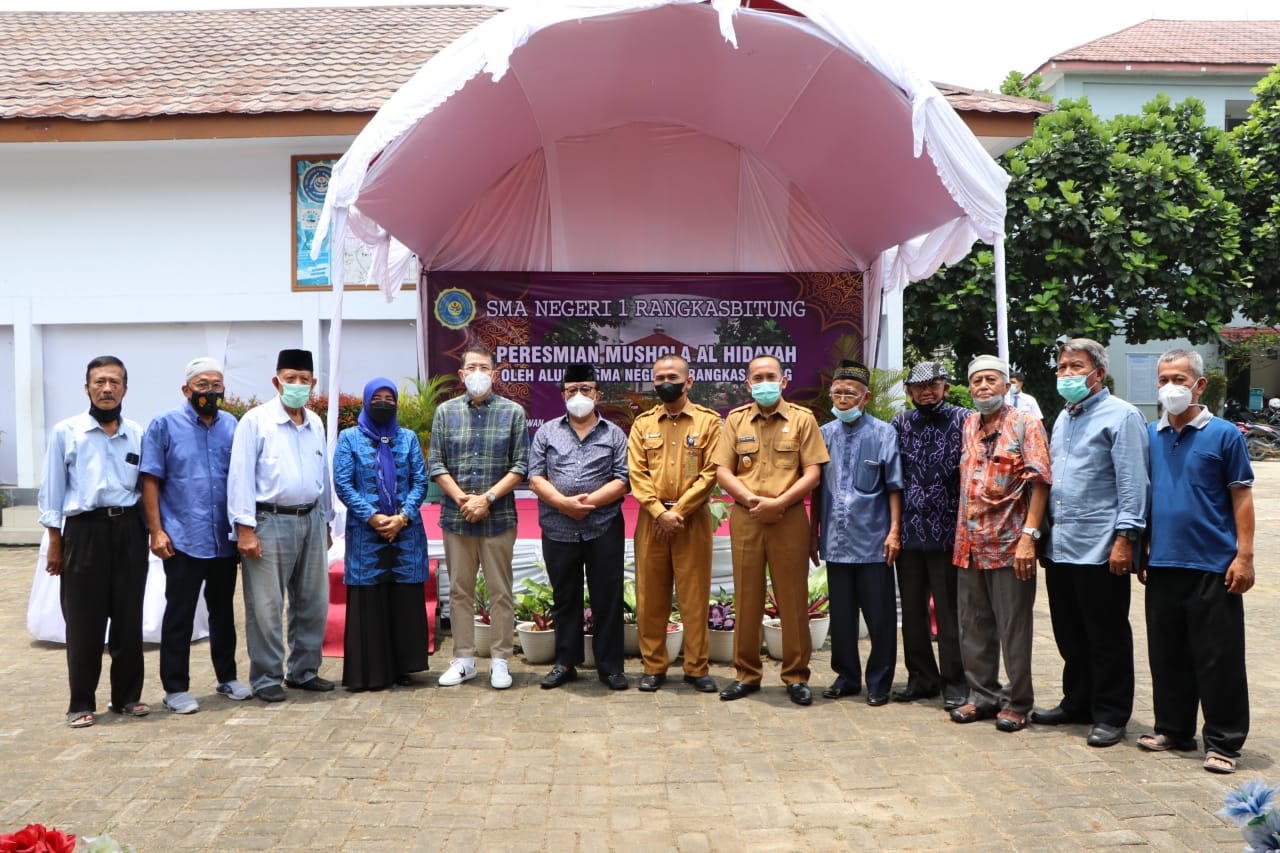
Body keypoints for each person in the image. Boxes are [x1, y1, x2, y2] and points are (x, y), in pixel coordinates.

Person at [1138, 349, 1255, 774]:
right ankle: (1173, 728)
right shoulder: (1151, 434)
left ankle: (1223, 741)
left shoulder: (1225, 435)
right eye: (1164, 379)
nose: (1171, 387)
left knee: (1217, 657)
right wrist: (1143, 549)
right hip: (1164, 562)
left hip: (1213, 564)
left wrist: (1244, 556)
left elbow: (1241, 496)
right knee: (1167, 653)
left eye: (1180, 379)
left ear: (1200, 384)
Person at [1033, 338, 1149, 748]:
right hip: (1062, 544)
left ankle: (1111, 713)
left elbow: (1133, 484)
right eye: (1062, 367)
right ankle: (1077, 702)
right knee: (1070, 631)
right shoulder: (1065, 417)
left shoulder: (1123, 416)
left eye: (1075, 367)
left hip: (1101, 546)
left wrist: (1126, 540)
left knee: (1106, 634)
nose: (1066, 374)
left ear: (1098, 373)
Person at [38, 355, 151, 728]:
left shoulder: (136, 433)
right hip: (84, 533)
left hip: (129, 530)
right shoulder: (66, 432)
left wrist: (151, 531)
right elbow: (52, 491)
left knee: (128, 618)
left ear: (125, 389)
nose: (106, 389)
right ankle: (80, 702)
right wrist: (56, 542)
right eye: (99, 382)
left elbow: (145, 488)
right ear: (87, 387)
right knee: (84, 622)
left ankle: (127, 697)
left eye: (114, 382)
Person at [713, 355, 828, 705]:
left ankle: (795, 676)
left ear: (784, 380)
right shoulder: (735, 420)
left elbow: (813, 473)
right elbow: (722, 471)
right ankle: (746, 674)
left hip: (788, 516)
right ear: (748, 384)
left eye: (770, 376)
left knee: (792, 598)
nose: (764, 382)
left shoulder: (803, 420)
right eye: (757, 377)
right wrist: (750, 500)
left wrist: (779, 503)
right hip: (747, 517)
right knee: (746, 597)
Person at [141, 356, 251, 715]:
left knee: (222, 612)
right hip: (183, 537)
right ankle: (175, 688)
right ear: (186, 389)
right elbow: (150, 481)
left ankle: (228, 677)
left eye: (216, 385)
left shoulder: (231, 425)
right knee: (180, 614)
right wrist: (156, 531)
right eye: (202, 385)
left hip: (223, 537)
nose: (210, 392)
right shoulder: (164, 425)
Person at [950, 355, 1051, 733]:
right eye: (976, 381)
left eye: (990, 380)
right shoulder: (968, 424)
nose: (982, 387)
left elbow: (1040, 482)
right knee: (973, 624)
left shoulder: (1026, 423)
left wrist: (1030, 537)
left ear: (1007, 384)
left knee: (1014, 628)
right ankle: (982, 696)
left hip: (1010, 544)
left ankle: (1017, 701)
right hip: (969, 543)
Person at [227, 348, 334, 702]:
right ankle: (267, 677)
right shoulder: (255, 422)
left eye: (304, 380)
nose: (298, 385)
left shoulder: (315, 422)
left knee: (313, 602)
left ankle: (303, 671)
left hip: (312, 519)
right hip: (268, 521)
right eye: (291, 379)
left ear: (313, 383)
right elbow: (239, 477)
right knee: (267, 606)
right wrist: (244, 528)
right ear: (276, 381)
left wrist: (328, 519)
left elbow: (323, 475)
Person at [428, 345, 528, 690]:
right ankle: (464, 659)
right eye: (472, 367)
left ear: (495, 373)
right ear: (461, 374)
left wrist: (485, 499)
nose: (478, 373)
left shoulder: (513, 412)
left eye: (484, 367)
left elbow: (520, 466)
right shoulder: (445, 412)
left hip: (498, 516)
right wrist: (462, 500)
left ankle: (500, 660)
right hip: (457, 519)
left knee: (501, 592)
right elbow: (437, 464)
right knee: (459, 591)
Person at [528, 364, 630, 691]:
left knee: (607, 598)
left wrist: (588, 505)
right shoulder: (546, 432)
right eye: (572, 390)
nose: (579, 396)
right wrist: (563, 504)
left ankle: (610, 667)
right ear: (563, 396)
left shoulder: (614, 433)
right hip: (558, 528)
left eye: (586, 389)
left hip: (603, 527)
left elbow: (623, 479)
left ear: (598, 394)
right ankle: (565, 663)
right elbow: (535, 477)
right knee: (565, 598)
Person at [627, 353, 722, 693]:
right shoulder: (643, 424)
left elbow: (711, 472)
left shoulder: (709, 422)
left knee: (694, 597)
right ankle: (654, 667)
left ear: (689, 381)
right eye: (659, 377)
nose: (666, 382)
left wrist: (677, 512)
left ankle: (697, 668)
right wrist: (659, 511)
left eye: (673, 376)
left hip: (691, 520)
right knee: (650, 596)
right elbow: (637, 474)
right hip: (652, 520)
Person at [809, 360, 902, 706]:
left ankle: (879, 681)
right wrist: (812, 533)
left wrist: (894, 532)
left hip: (875, 541)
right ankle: (846, 676)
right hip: (835, 540)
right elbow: (816, 489)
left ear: (866, 398)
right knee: (843, 617)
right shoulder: (823, 434)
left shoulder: (883, 433)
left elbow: (894, 487)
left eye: (851, 393)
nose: (843, 398)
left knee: (880, 617)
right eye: (838, 392)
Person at [333, 378, 432, 691]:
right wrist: (374, 517)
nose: (384, 402)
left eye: (390, 397)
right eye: (378, 397)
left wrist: (402, 518)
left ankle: (404, 667)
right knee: (371, 599)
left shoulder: (408, 438)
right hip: (366, 533)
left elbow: (421, 481)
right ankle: (371, 671)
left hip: (406, 531)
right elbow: (343, 484)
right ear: (366, 401)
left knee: (403, 598)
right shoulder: (348, 439)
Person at [890, 361, 968, 710]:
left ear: (945, 388)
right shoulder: (900, 424)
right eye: (918, 387)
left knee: (950, 613)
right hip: (908, 532)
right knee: (912, 611)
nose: (926, 392)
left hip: (950, 532)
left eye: (933, 385)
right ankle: (921, 678)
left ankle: (956, 681)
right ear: (908, 392)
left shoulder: (965, 420)